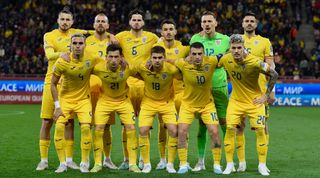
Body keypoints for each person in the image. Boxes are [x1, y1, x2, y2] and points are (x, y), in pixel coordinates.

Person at [36, 7, 89, 171]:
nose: (65, 22)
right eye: (62, 19)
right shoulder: (49, 35)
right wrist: (64, 53)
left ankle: (69, 159)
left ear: (72, 22)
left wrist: (110, 35)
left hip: (69, 84)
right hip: (51, 81)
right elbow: (49, 55)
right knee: (47, 121)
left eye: (68, 19)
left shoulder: (76, 32)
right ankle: (43, 160)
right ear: (58, 21)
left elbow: (92, 32)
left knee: (69, 123)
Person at [220, 34, 278, 176]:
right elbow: (211, 65)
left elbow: (274, 74)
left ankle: (262, 165)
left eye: (239, 48)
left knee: (260, 130)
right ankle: (229, 165)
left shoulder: (255, 62)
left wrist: (266, 95)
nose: (236, 51)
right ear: (230, 49)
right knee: (230, 129)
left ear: (244, 48)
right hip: (235, 102)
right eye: (233, 48)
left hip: (254, 102)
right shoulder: (226, 59)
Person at [115, 9, 158, 169]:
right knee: (127, 124)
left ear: (143, 22)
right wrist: (121, 60)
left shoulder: (152, 37)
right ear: (129, 22)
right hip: (127, 86)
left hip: (145, 85)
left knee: (146, 124)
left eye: (139, 19)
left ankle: (142, 158)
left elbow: (163, 48)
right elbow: (109, 46)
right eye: (134, 19)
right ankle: (127, 159)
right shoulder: (120, 36)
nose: (137, 22)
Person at [51, 33, 99, 173]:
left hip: (83, 100)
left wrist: (121, 61)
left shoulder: (91, 59)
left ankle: (84, 162)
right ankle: (62, 163)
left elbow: (107, 65)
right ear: (70, 45)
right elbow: (53, 84)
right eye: (75, 43)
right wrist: (57, 106)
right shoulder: (62, 61)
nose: (77, 46)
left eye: (80, 43)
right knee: (59, 128)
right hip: (65, 100)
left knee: (85, 128)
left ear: (85, 45)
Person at [90, 44, 140, 173]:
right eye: (110, 57)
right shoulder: (98, 68)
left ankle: (133, 164)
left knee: (131, 128)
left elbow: (144, 73)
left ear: (121, 58)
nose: (113, 60)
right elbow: (81, 72)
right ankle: (97, 164)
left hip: (123, 101)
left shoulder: (128, 68)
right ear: (106, 57)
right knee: (99, 129)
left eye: (116, 57)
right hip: (105, 101)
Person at [189, 11, 230, 171]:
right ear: (201, 25)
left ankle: (229, 161)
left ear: (215, 23)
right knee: (202, 125)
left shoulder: (225, 40)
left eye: (209, 21)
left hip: (219, 86)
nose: (207, 24)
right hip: (202, 89)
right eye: (204, 22)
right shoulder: (195, 39)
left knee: (225, 123)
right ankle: (200, 161)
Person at [236, 11, 276, 172]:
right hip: (239, 92)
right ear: (242, 23)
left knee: (263, 127)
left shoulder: (265, 42)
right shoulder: (236, 41)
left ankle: (262, 163)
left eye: (252, 20)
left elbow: (271, 67)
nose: (249, 23)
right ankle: (241, 162)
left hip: (259, 92)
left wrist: (271, 91)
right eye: (247, 20)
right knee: (239, 126)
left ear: (256, 23)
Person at [175, 42, 222, 174]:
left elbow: (225, 57)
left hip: (207, 105)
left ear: (204, 54)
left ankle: (217, 164)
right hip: (188, 105)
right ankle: (183, 164)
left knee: (214, 132)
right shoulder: (183, 63)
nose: (197, 57)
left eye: (199, 54)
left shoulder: (211, 61)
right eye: (194, 54)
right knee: (182, 131)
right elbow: (170, 60)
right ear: (190, 54)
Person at [152, 19, 189, 170]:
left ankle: (183, 160)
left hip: (181, 94)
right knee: (163, 127)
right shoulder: (155, 48)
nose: (168, 32)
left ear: (175, 32)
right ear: (161, 33)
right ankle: (162, 159)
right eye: (165, 29)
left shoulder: (183, 48)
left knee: (183, 129)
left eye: (171, 29)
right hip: (164, 95)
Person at [137, 46, 180, 173]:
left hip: (166, 103)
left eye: (160, 58)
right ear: (150, 58)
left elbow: (185, 74)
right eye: (154, 58)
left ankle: (170, 164)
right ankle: (146, 164)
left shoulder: (171, 70)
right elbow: (131, 68)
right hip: (148, 102)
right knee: (143, 130)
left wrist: (173, 61)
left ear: (164, 58)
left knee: (173, 130)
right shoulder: (143, 67)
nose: (157, 60)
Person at [86, 13, 117, 170]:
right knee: (89, 126)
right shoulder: (86, 41)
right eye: (97, 21)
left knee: (106, 126)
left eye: (103, 22)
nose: (100, 24)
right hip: (89, 90)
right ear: (93, 25)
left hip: (106, 91)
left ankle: (107, 158)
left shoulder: (113, 42)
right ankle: (89, 160)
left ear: (108, 25)